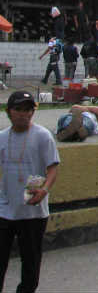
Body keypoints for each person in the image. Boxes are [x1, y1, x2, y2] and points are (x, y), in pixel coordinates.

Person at [0, 91, 60, 293]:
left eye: (28, 110)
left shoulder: (43, 136)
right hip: (5, 209)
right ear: (9, 112)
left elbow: (53, 168)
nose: (23, 114)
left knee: (30, 264)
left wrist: (44, 190)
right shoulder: (2, 137)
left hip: (33, 211)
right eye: (18, 109)